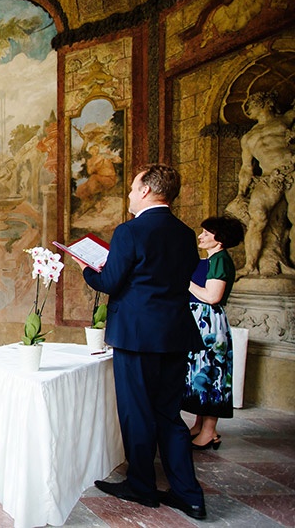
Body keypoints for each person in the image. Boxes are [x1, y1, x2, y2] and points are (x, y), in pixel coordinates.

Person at [77, 164, 207, 520]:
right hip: (175, 334)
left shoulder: (130, 231)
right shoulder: (184, 233)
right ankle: (189, 495)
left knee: (137, 414)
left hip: (137, 335)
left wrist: (87, 268)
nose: (131, 194)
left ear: (148, 190)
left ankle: (142, 486)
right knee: (170, 415)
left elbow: (112, 283)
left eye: (134, 188)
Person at [184, 216, 245, 450]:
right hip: (201, 322)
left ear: (219, 239)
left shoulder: (220, 260)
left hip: (209, 324)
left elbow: (212, 296)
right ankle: (201, 426)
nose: (201, 236)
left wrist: (185, 281)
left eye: (207, 233)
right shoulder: (212, 259)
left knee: (212, 375)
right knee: (202, 373)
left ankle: (209, 432)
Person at [228, 92, 295, 277]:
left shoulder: (286, 119)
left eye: (252, 103)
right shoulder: (249, 137)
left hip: (292, 170)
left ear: (267, 103)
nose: (248, 108)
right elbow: (246, 168)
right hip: (268, 177)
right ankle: (250, 265)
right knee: (256, 218)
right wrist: (241, 193)